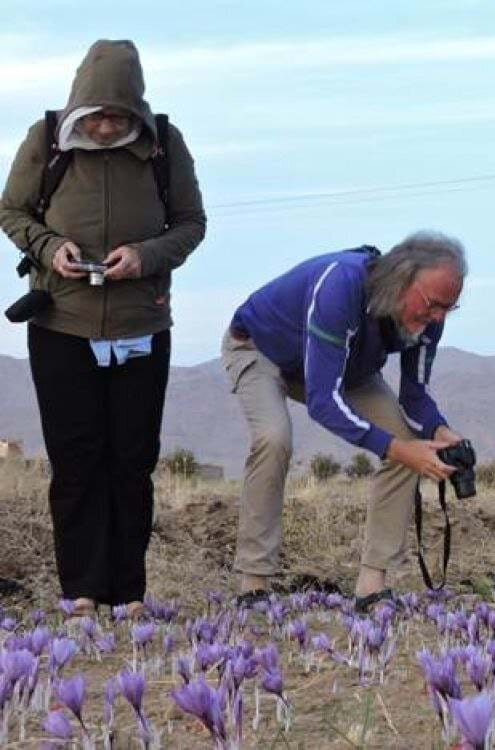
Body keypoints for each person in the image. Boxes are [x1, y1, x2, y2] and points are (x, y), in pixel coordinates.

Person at [0, 40, 206, 616]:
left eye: (119, 116)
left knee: (132, 460)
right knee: (76, 459)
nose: (108, 126)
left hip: (142, 324)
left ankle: (128, 593)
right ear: (79, 107)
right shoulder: (46, 139)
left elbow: (191, 223)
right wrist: (50, 247)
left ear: (137, 109)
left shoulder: (165, 145)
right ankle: (82, 591)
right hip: (61, 323)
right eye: (97, 116)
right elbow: (11, 211)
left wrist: (145, 256)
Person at [223, 231, 467, 608]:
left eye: (448, 309)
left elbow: (415, 395)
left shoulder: (430, 316)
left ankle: (372, 587)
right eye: (433, 305)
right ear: (402, 278)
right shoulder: (340, 286)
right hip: (261, 350)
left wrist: (440, 430)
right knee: (273, 438)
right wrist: (397, 449)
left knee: (408, 441)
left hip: (346, 366)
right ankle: (254, 583)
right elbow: (324, 401)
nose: (437, 317)